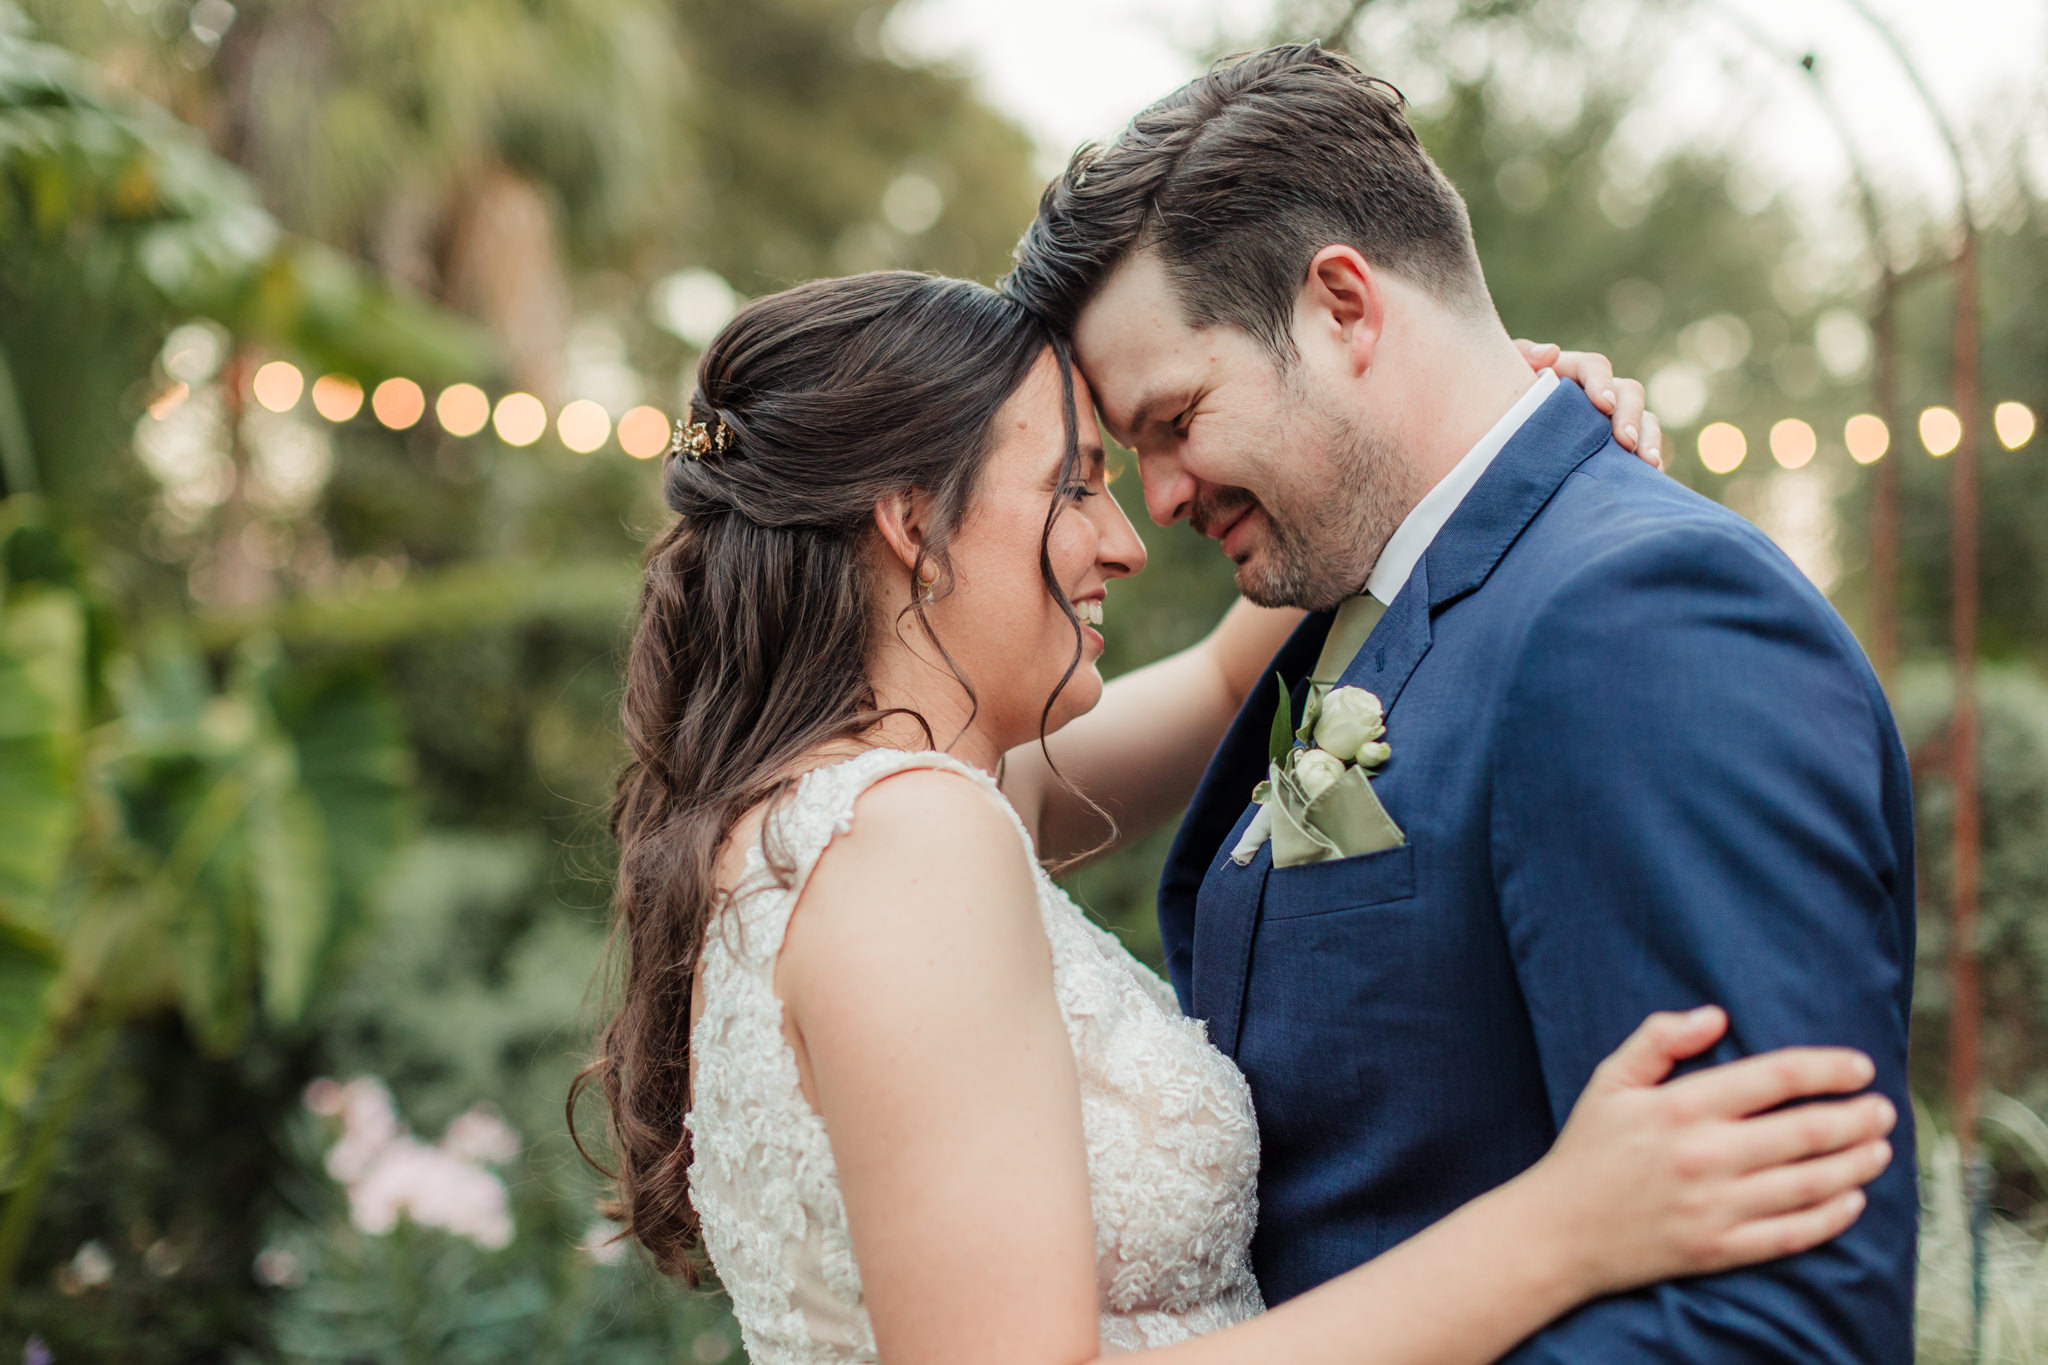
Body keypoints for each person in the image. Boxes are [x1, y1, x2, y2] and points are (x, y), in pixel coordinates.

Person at [577, 269, 1897, 1365]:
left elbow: (1224, 678)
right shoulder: (915, 841)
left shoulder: (850, 811)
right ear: (915, 523)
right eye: (1077, 485)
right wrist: (1562, 1224)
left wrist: (1466, 423)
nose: (1128, 537)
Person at [1002, 41, 1916, 1363]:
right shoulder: (1357, 617)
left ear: (1342, 306)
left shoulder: (1643, 619)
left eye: (1175, 419)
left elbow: (1776, 1318)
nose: (1161, 500)